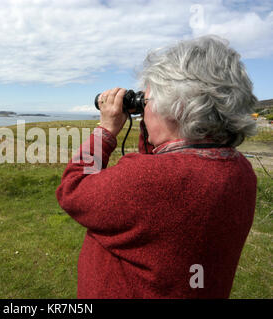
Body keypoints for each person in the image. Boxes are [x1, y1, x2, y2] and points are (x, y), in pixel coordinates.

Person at [56, 35, 258, 298]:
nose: (144, 109)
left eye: (147, 102)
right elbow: (165, 165)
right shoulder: (239, 170)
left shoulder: (149, 180)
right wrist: (154, 124)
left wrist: (105, 130)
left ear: (177, 106)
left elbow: (73, 189)